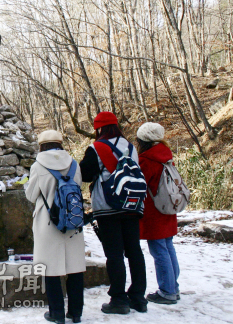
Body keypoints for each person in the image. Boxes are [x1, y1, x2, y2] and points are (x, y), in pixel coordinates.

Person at [79, 111, 147, 315]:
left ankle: (118, 298)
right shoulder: (130, 147)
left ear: (99, 128)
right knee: (134, 250)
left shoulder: (97, 147)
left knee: (114, 253)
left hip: (108, 206)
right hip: (132, 203)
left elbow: (85, 174)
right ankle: (138, 297)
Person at [26, 129, 85, 324]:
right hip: (72, 220)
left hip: (48, 221)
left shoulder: (38, 165)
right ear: (60, 143)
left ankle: (56, 312)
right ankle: (76, 313)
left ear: (41, 145)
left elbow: (31, 195)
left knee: (50, 268)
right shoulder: (74, 164)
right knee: (75, 267)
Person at [137, 122, 180, 305]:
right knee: (168, 247)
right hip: (168, 207)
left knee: (159, 250)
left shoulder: (146, 160)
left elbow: (140, 184)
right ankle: (173, 286)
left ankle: (167, 291)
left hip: (154, 211)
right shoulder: (166, 155)